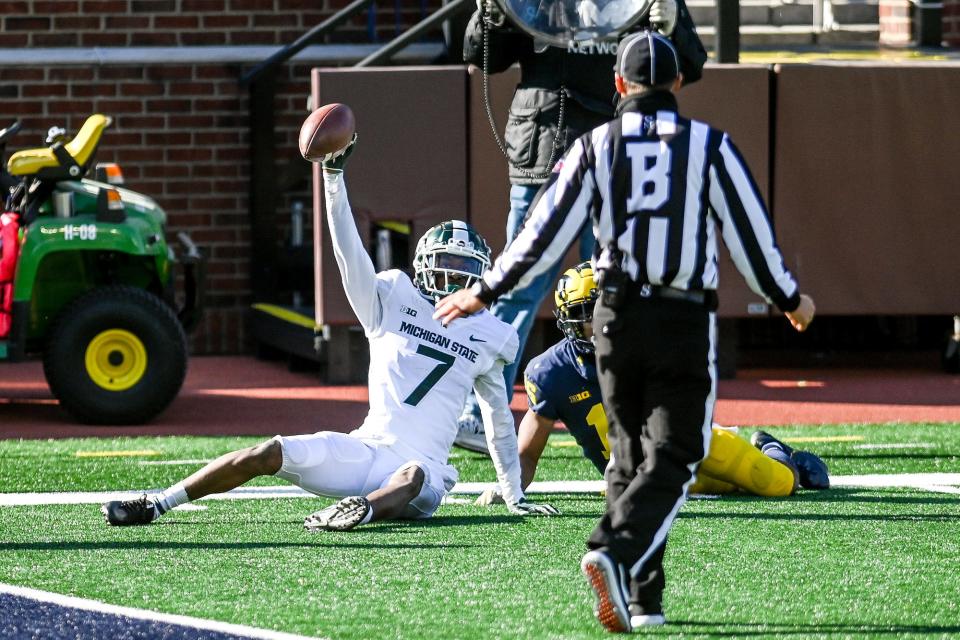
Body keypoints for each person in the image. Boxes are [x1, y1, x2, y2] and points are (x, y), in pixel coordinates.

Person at [433, 31, 816, 631]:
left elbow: (541, 235)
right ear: (679, 84)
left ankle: (644, 598)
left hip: (611, 317)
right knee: (680, 450)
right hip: (679, 315)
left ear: (617, 85)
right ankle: (613, 547)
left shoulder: (594, 147)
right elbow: (750, 236)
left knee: (630, 456)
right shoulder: (707, 146)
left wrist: (483, 291)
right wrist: (789, 298)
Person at [101, 136, 558, 531]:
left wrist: (513, 494)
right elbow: (349, 255)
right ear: (424, 265)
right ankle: (159, 503)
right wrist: (333, 178)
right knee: (269, 451)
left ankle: (362, 510)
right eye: (448, 268)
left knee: (413, 475)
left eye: (466, 272)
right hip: (366, 448)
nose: (457, 281)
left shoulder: (492, 333)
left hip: (427, 469)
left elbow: (499, 420)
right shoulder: (393, 296)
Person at [454, 0, 708, 454]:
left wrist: (668, 22)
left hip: (612, 152)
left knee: (617, 288)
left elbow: (688, 65)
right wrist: (490, 13)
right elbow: (481, 56)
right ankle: (478, 414)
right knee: (516, 290)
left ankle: (635, 412)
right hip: (543, 150)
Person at [477, 263, 829, 503]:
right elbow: (526, 456)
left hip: (691, 445)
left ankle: (774, 450)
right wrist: (508, 487)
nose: (604, 321)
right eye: (591, 314)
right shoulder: (550, 373)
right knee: (726, 488)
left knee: (780, 485)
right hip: (642, 477)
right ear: (570, 321)